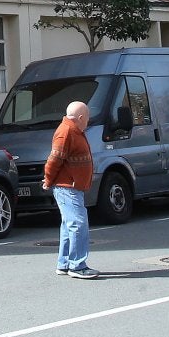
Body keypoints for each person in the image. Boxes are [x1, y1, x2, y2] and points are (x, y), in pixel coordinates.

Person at [42, 99, 97, 279]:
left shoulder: (74, 130)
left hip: (71, 187)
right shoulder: (66, 132)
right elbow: (53, 160)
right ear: (80, 117)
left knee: (68, 225)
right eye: (87, 118)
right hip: (67, 188)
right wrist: (48, 180)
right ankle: (77, 265)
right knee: (78, 224)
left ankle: (64, 264)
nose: (88, 122)